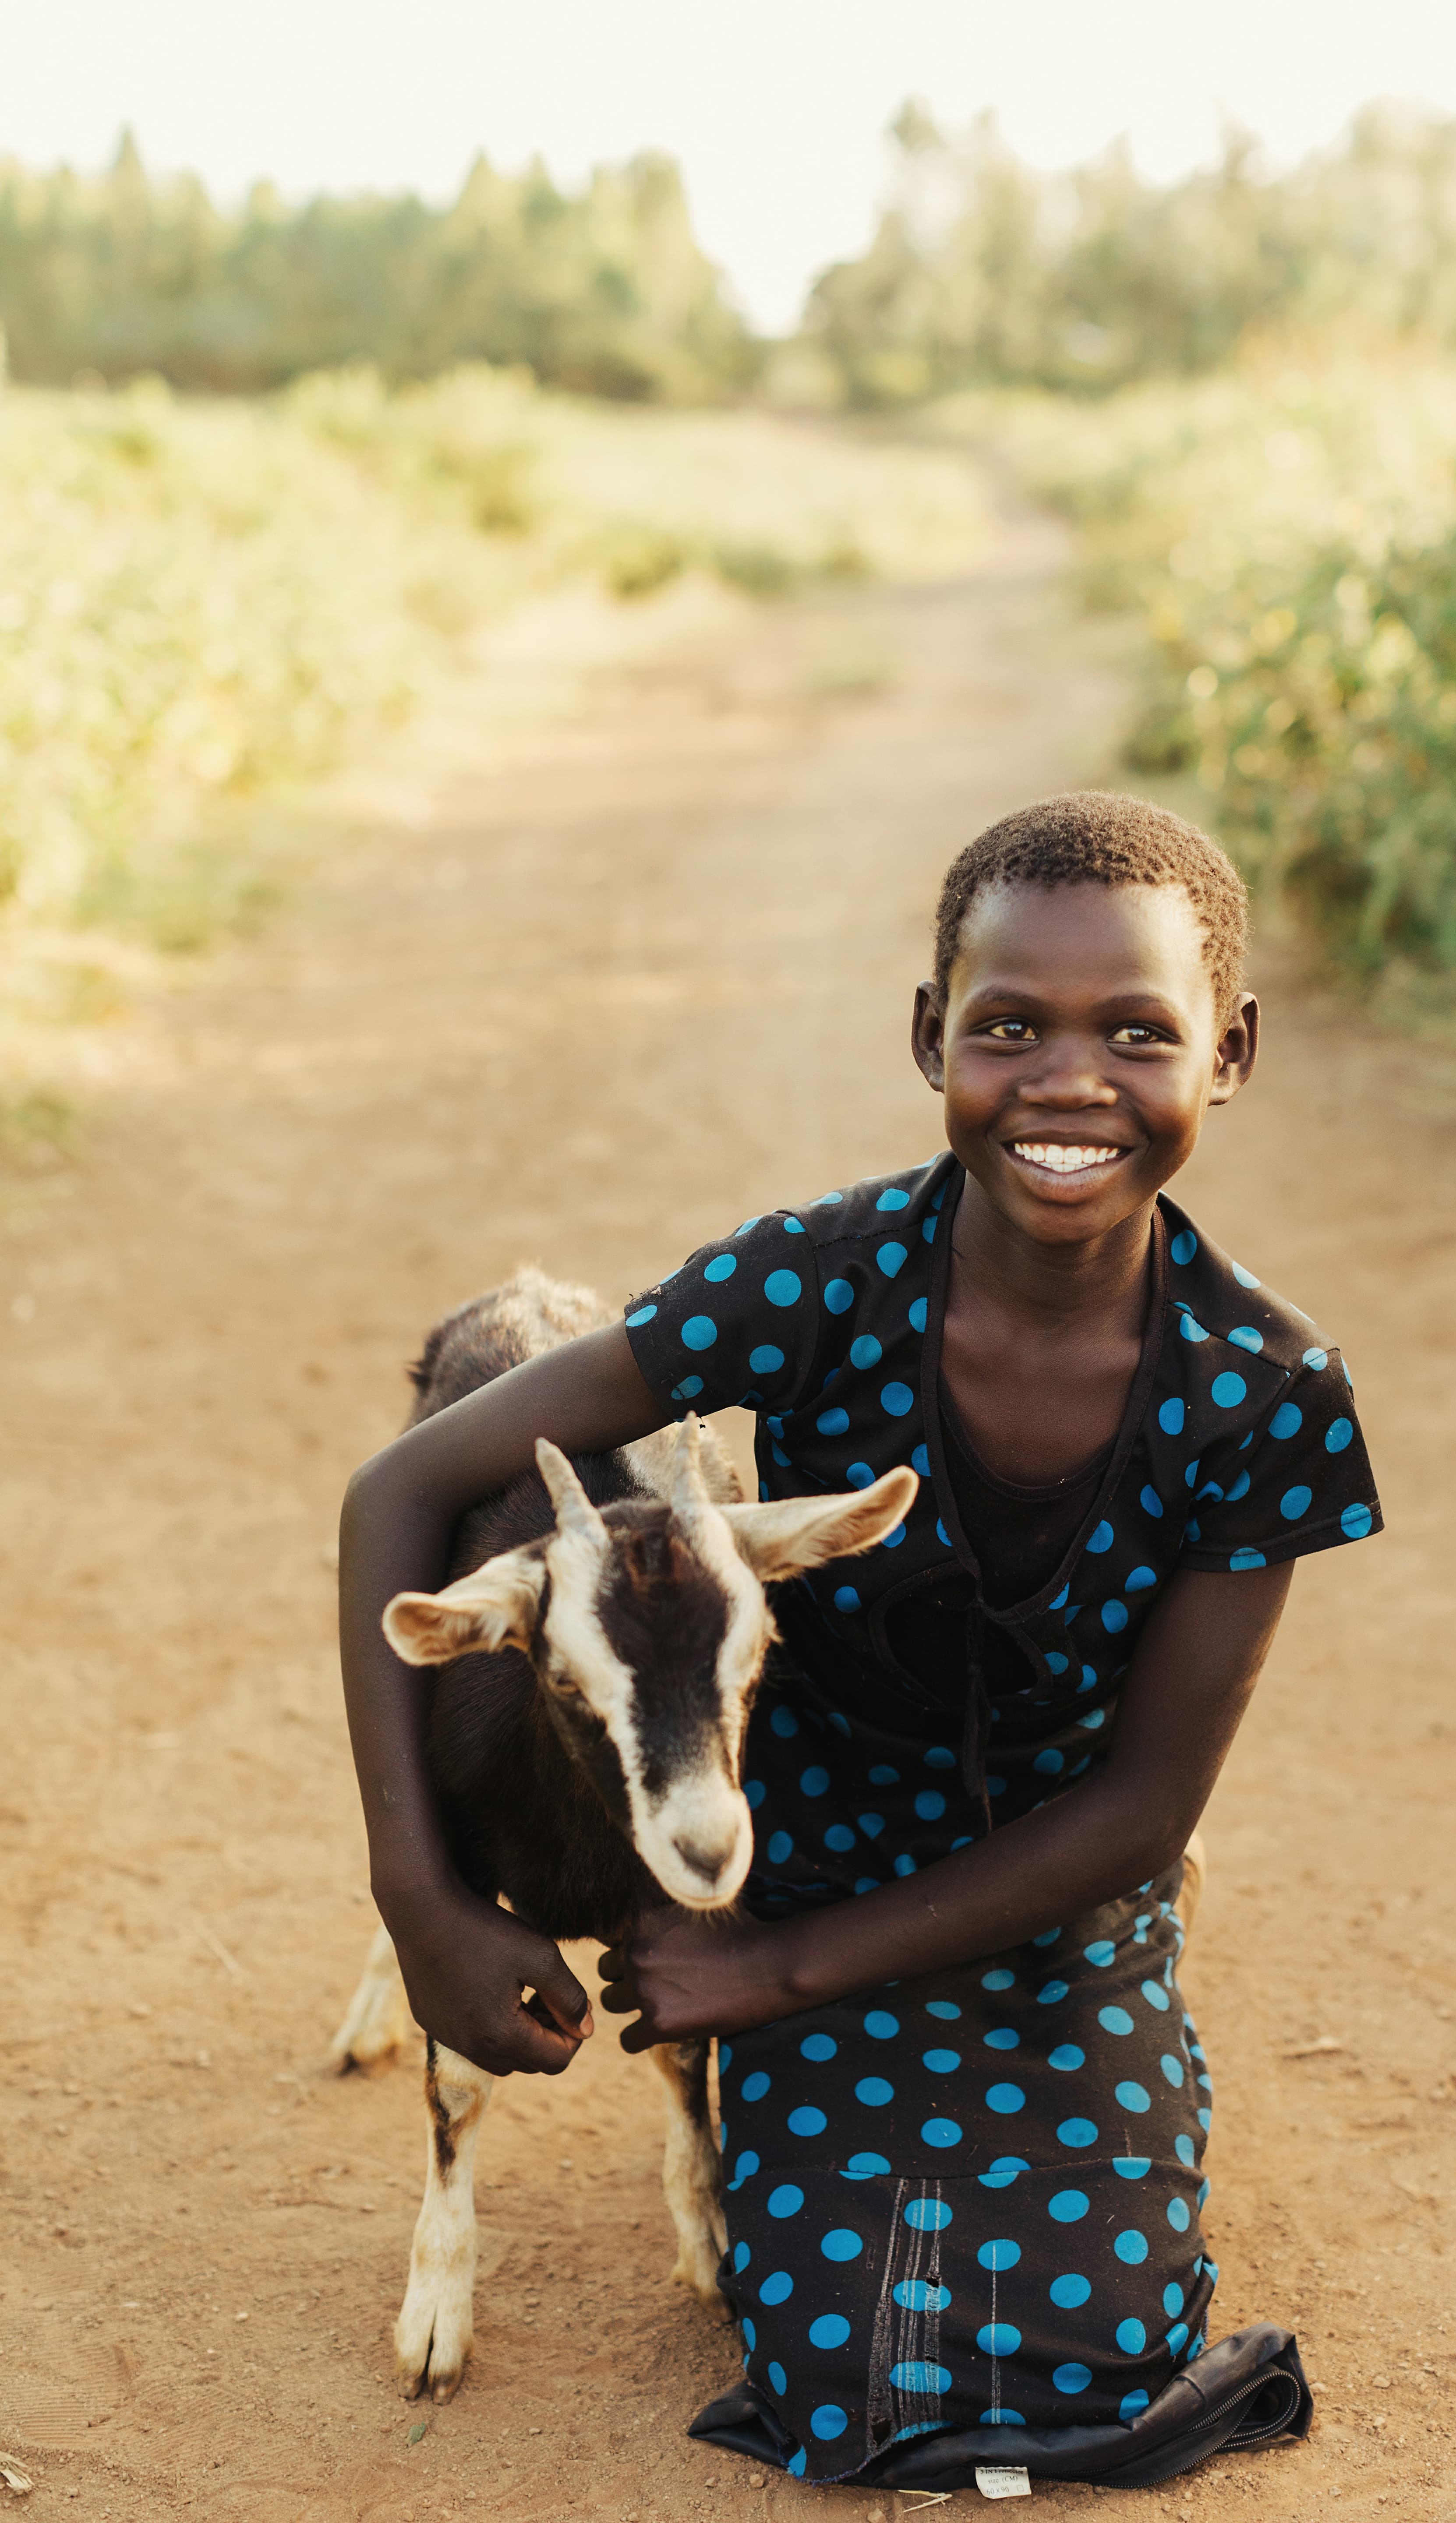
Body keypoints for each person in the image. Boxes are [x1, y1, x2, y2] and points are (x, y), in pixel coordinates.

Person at [338, 790, 1382, 2491]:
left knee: (1094, 2348)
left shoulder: (1266, 1390)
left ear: (1232, 1052)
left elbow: (1142, 1810)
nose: (1067, 1082)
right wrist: (421, 1895)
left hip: (1060, 1873)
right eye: (1005, 1027)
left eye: (1139, 1032)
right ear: (929, 1039)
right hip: (808, 1847)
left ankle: (1096, 2036)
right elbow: (397, 1494)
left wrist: (765, 1977)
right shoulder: (812, 1285)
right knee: (846, 2369)